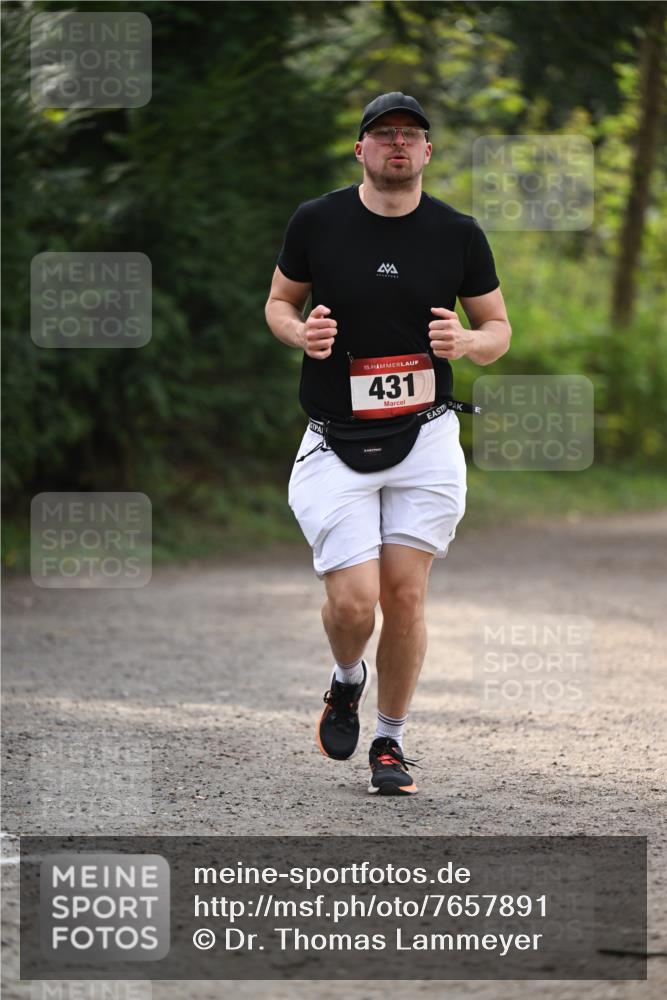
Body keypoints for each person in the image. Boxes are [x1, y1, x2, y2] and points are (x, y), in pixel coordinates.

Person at [264, 92, 511, 796]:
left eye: (409, 134)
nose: (396, 144)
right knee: (353, 605)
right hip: (333, 439)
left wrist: (467, 341)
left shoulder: (457, 234)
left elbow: (497, 329)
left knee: (405, 598)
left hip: (425, 435)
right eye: (382, 134)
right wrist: (296, 331)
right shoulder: (317, 221)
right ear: (361, 149)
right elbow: (279, 303)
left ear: (427, 151)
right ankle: (346, 682)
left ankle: (390, 742)